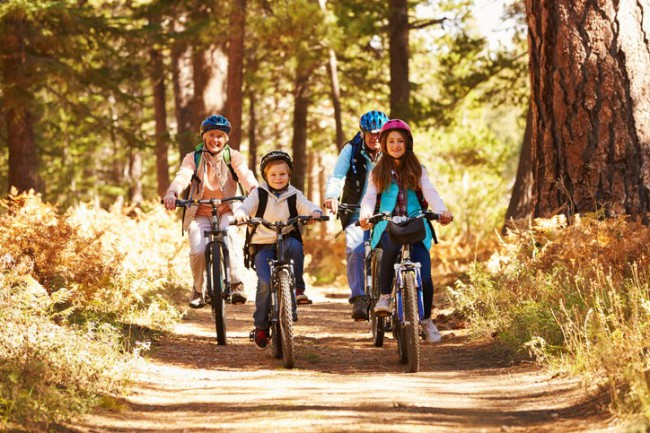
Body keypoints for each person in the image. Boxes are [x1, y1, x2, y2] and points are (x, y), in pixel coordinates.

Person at [359, 119, 453, 343]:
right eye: (391, 141)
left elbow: (430, 192)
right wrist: (365, 215)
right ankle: (384, 297)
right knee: (389, 249)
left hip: (415, 224)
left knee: (426, 275)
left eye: (400, 141)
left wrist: (441, 211)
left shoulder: (418, 169)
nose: (396, 145)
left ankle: (426, 320)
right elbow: (370, 197)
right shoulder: (377, 171)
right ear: (383, 143)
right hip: (387, 223)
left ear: (408, 143)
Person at [163, 115, 258, 308]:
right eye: (211, 135)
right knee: (198, 251)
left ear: (226, 139)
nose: (215, 140)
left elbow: (245, 174)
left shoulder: (233, 156)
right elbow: (183, 176)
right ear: (204, 137)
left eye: (220, 136)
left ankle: (236, 284)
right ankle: (198, 289)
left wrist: (255, 189)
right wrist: (172, 192)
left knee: (230, 238)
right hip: (199, 211)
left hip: (228, 209)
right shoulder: (193, 157)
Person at [234, 151, 323, 349]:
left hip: (286, 238)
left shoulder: (294, 194)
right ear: (266, 176)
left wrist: (315, 212)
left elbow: (306, 206)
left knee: (297, 248)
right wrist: (241, 214)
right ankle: (261, 326)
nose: (278, 178)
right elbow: (245, 207)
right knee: (265, 283)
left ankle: (298, 288)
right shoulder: (259, 193)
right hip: (262, 243)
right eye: (273, 175)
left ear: (289, 175)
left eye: (282, 174)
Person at [323, 110, 389, 321]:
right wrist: (332, 196)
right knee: (355, 249)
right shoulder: (351, 150)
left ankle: (392, 299)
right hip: (354, 209)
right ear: (362, 133)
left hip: (385, 210)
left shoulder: (392, 149)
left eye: (379, 133)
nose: (374, 137)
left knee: (391, 251)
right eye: (370, 133)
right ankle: (359, 297)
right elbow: (337, 176)